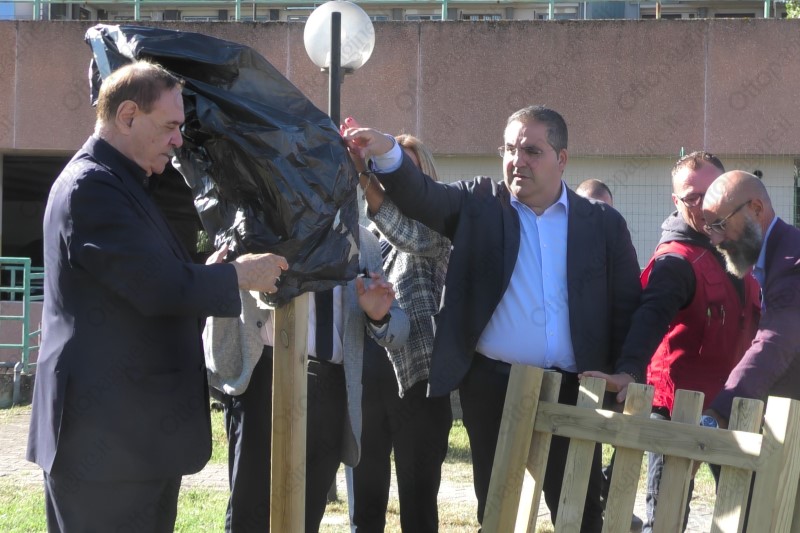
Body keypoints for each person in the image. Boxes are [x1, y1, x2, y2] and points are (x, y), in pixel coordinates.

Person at [342, 105, 642, 531]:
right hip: (494, 389)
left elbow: (628, 306)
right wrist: (386, 149)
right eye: (510, 149)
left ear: (562, 159)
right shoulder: (482, 204)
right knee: (498, 514)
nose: (518, 160)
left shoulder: (603, 224)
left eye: (532, 151)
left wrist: (629, 369)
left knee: (579, 515)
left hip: (576, 389)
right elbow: (423, 196)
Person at [26, 60, 288, 532]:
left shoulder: (120, 181)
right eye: (169, 126)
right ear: (128, 116)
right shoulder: (93, 187)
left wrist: (207, 273)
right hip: (104, 446)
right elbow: (154, 288)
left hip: (129, 440)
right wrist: (237, 276)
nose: (178, 140)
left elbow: (143, 281)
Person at [583, 152, 760, 532]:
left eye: (710, 192)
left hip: (733, 405)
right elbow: (650, 317)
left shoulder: (740, 248)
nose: (703, 204)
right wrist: (629, 371)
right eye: (691, 197)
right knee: (667, 517)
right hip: (678, 409)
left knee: (750, 511)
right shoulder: (675, 262)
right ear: (676, 201)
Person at [205, 225, 410, 533]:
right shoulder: (262, 220)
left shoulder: (364, 242)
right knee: (250, 517)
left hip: (330, 391)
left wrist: (379, 316)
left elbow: (398, 328)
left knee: (306, 517)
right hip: (265, 382)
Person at [348, 129, 452, 533]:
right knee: (365, 507)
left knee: (418, 509)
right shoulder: (366, 238)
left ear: (427, 178)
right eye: (387, 169)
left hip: (419, 386)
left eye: (405, 170)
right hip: (367, 381)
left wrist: (362, 173)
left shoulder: (439, 227)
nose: (395, 179)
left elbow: (403, 231)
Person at [702, 170, 800, 425]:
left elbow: (774, 343)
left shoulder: (793, 264)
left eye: (721, 225)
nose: (715, 240)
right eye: (710, 228)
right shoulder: (774, 258)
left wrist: (719, 414)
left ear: (756, 209)